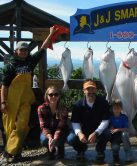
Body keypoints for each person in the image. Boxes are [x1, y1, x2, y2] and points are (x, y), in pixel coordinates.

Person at [0, 26, 58, 163]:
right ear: (16, 51)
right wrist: (3, 102)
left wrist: (50, 35)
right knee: (9, 127)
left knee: (22, 126)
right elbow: (4, 86)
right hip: (11, 100)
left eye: (26, 50)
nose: (24, 52)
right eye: (22, 50)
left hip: (26, 100)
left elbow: (43, 48)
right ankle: (16, 152)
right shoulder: (10, 65)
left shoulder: (30, 62)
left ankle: (9, 151)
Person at [67, 79, 111, 162]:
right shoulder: (78, 105)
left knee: (107, 133)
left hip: (98, 131)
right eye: (88, 89)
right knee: (71, 138)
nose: (91, 91)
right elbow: (75, 122)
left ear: (96, 90)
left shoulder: (103, 102)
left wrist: (96, 133)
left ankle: (100, 150)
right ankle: (81, 150)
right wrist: (79, 134)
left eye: (93, 89)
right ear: (84, 91)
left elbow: (106, 121)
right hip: (83, 130)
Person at [37, 86, 69, 160]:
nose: (53, 96)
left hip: (60, 131)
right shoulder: (41, 108)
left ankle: (61, 148)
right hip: (48, 131)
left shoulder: (64, 109)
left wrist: (55, 138)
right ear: (46, 96)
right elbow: (43, 126)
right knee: (44, 139)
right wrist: (50, 137)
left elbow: (60, 127)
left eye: (56, 94)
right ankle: (51, 150)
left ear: (59, 96)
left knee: (60, 138)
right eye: (51, 95)